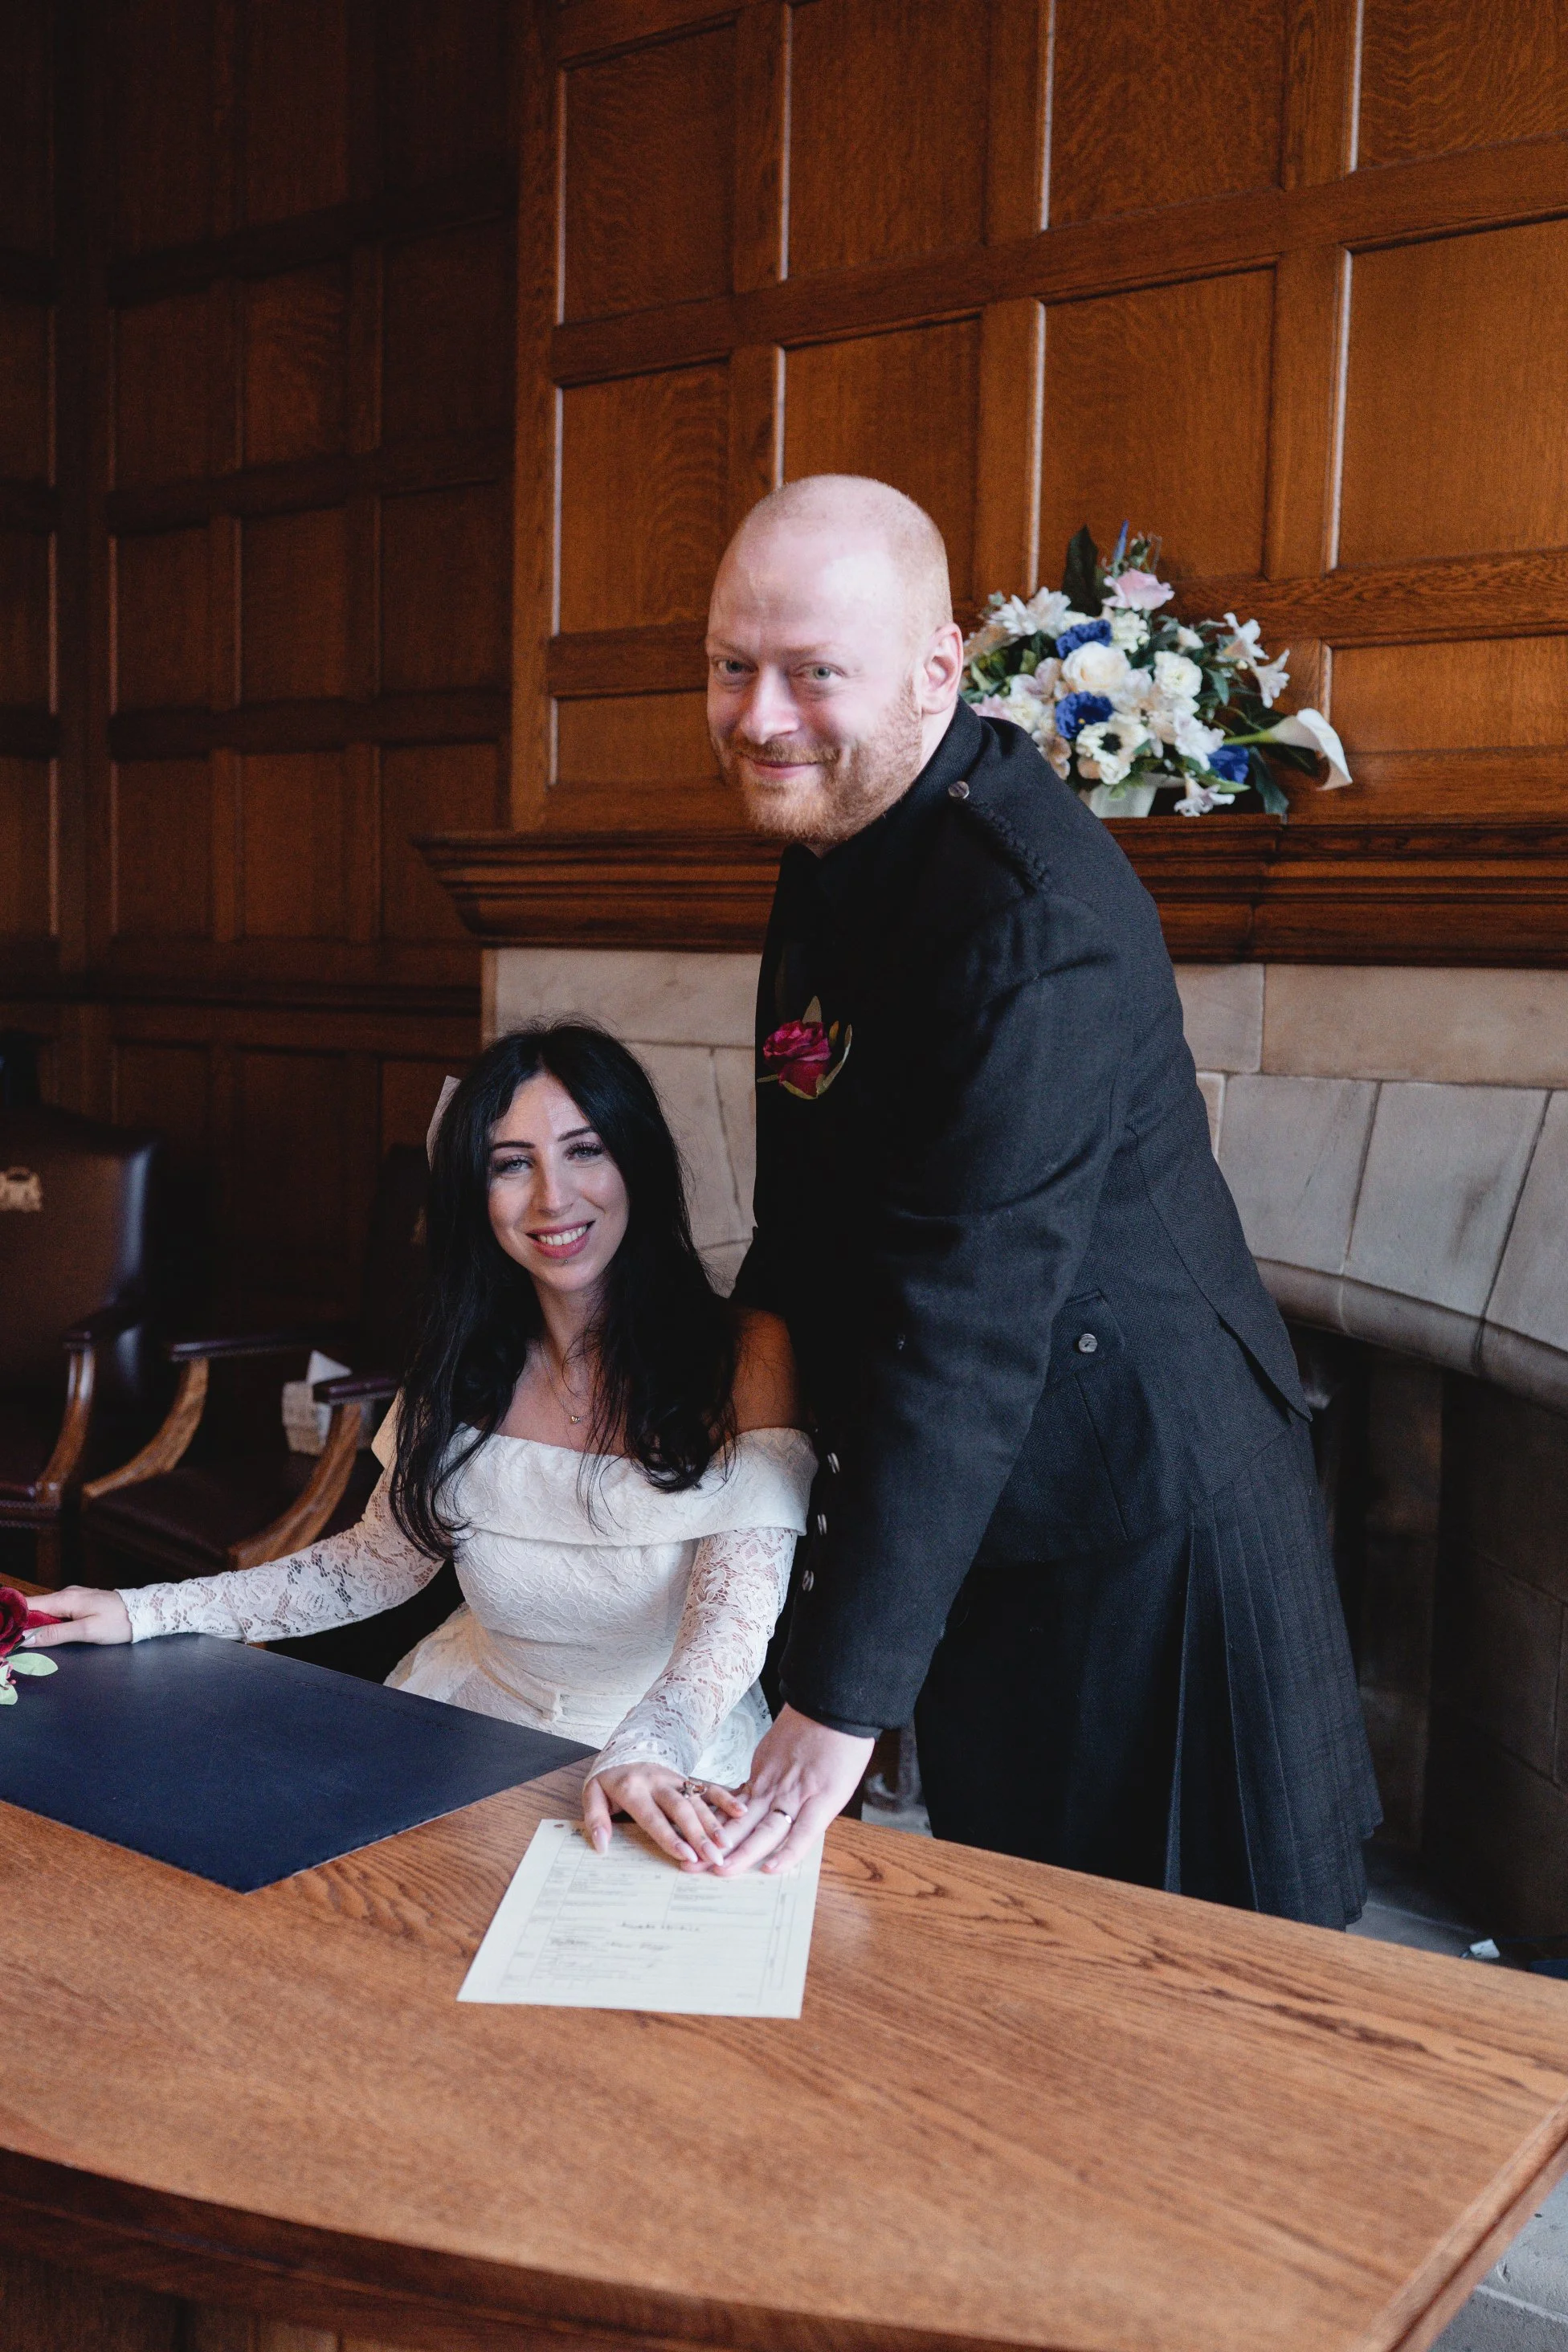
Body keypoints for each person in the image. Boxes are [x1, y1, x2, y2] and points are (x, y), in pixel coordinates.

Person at [701, 472, 1380, 1921]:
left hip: (1157, 1533)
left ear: (940, 667)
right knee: (1032, 1975)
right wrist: (742, 1502)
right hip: (1006, 1523)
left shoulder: (1027, 915)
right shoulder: (836, 825)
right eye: (731, 664)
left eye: (814, 672)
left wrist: (834, 1701)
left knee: (1218, 2030)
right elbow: (810, 1216)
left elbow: (965, 1328)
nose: (761, 716)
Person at [27, 1025, 815, 1871]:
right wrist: (144, 1612)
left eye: (584, 1151)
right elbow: (377, 1564)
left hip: (675, 1754)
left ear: (638, 1164)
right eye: (511, 1164)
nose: (553, 1197)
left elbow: (729, 1626)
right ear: (475, 1195)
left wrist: (646, 1749)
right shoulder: (463, 1358)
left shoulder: (747, 1354)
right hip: (462, 1730)